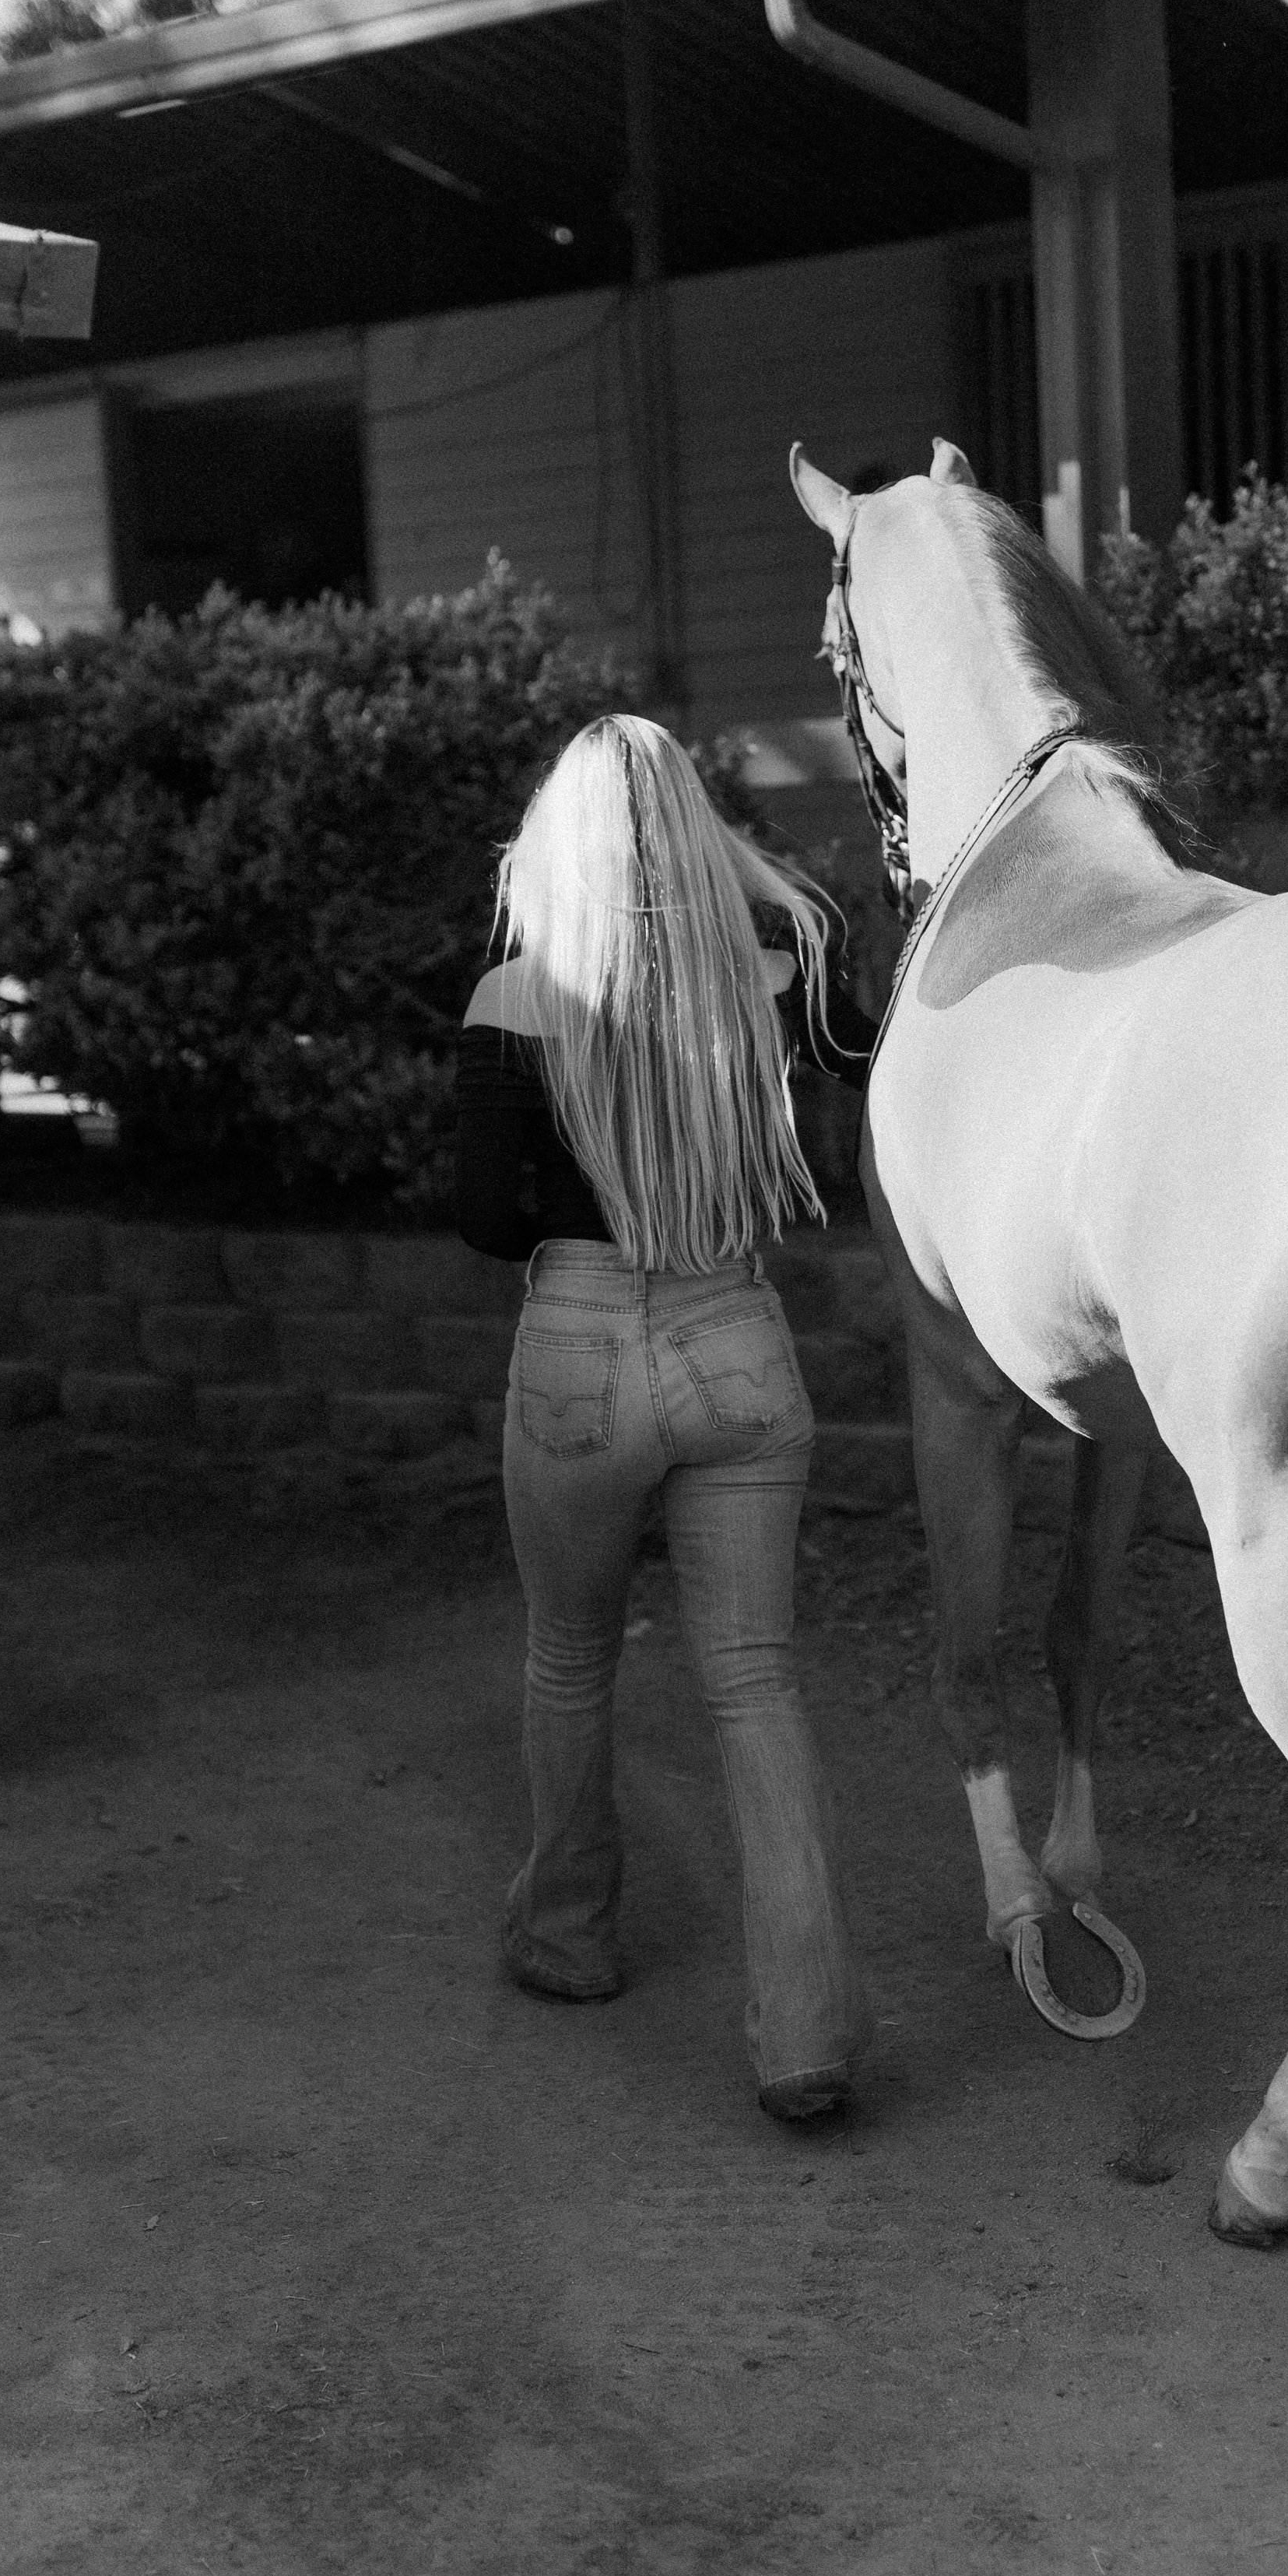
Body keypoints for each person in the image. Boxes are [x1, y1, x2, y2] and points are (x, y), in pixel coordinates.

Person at [456, 714, 877, 2123]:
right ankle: (806, 2033)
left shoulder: (515, 1000)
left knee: (570, 1655)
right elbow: (857, 1043)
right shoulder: (765, 980)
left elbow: (481, 1220)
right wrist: (743, 875)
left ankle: (569, 1935)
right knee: (755, 1682)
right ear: (698, 837)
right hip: (735, 1335)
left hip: (577, 1341)